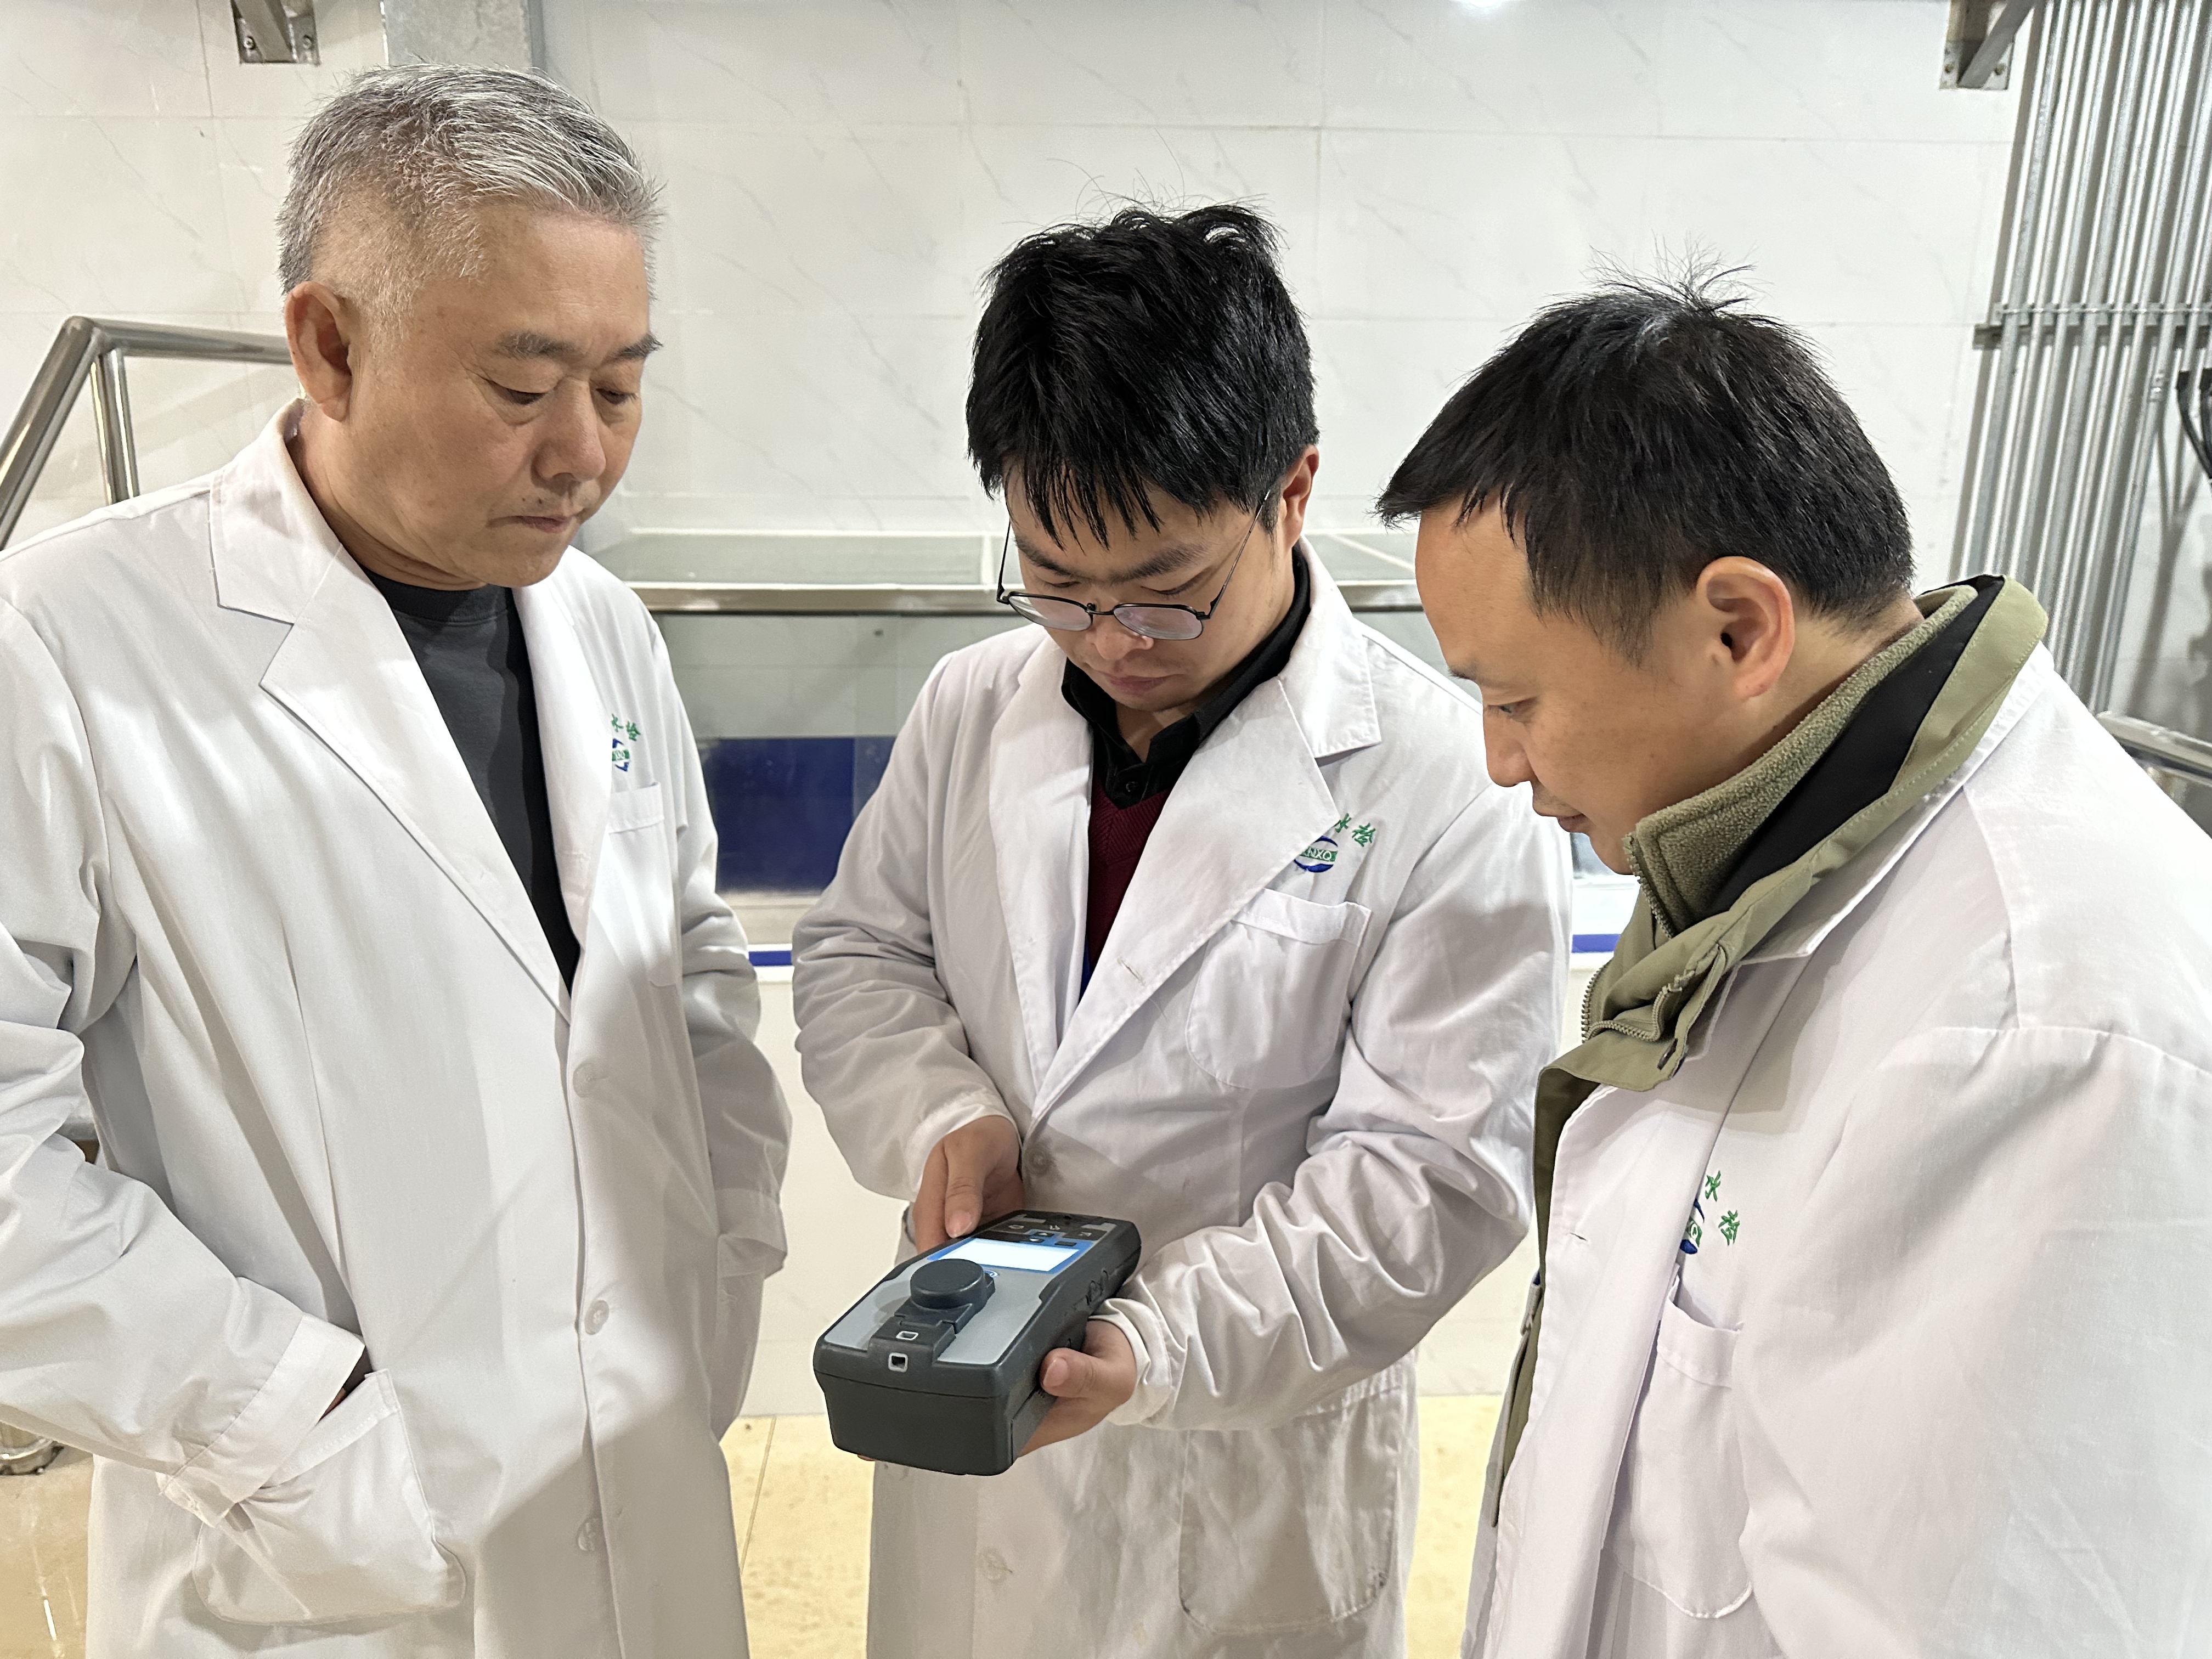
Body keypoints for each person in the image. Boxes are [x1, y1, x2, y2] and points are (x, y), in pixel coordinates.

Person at [0, 66, 788, 1657]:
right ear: (332, 348)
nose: (582, 455)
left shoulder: (601, 623)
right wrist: (289, 1429)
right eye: (523, 387)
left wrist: (719, 1270)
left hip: (637, 1479)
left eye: (620, 387)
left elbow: (692, 978)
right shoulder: (67, 644)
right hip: (319, 1558)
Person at [1381, 274, 2212, 1657]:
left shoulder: (2038, 1036)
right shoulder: (1761, 853)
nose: (1500, 761)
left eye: (1515, 699)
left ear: (1740, 630)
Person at [792, 204, 1567, 1659]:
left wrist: (1152, 1345)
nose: (1108, 639)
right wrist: (941, 1113)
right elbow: (861, 956)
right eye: (1054, 580)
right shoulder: (972, 706)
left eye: (1165, 591)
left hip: (1237, 1470)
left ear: (1292, 490)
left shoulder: (1443, 783)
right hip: (972, 1422)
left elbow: (1430, 1183)